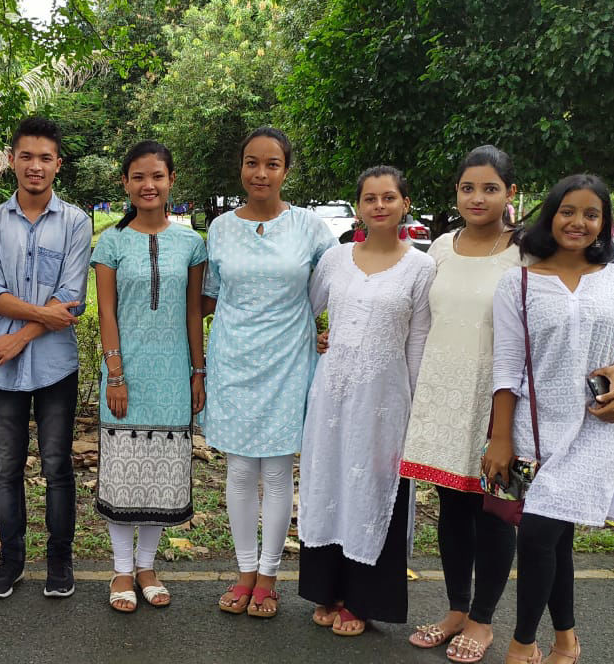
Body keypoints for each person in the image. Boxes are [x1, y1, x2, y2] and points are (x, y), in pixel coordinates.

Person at [485, 174, 614, 664]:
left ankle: (522, 644)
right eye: (568, 211)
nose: (578, 222)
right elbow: (508, 366)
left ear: (604, 224)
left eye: (591, 214)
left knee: (538, 534)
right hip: (533, 430)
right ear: (551, 215)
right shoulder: (517, 283)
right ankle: (566, 641)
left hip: (600, 428)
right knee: (554, 541)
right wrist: (499, 438)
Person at [202, 127, 336, 618]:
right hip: (234, 356)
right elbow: (212, 294)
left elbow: (334, 287)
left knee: (279, 472)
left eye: (272, 164)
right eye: (252, 162)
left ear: (286, 170)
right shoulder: (219, 228)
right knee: (239, 470)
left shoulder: (310, 228)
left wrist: (332, 331)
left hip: (288, 358)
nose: (261, 173)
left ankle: (268, 577)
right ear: (241, 167)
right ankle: (243, 573)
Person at [297, 165, 435, 637]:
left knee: (372, 488)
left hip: (385, 399)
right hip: (332, 395)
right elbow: (307, 310)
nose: (379, 205)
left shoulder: (421, 266)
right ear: (358, 206)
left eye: (389, 197)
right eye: (370, 198)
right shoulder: (336, 259)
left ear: (404, 204)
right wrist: (319, 339)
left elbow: (417, 343)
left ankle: (363, 599)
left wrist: (414, 410)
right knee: (329, 482)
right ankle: (328, 590)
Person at [399, 146, 522, 661]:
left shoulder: (527, 250)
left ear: (510, 193)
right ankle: (456, 608)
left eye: (490, 188)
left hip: (499, 400)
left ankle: (483, 620)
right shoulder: (441, 248)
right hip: (444, 396)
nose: (478, 197)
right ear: (456, 192)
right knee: (453, 505)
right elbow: (418, 318)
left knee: (494, 509)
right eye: (468, 187)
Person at [0, 117, 92, 599]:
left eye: (45, 158)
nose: (35, 166)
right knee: (6, 468)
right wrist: (36, 319)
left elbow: (70, 301)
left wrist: (20, 336)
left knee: (56, 465)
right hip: (2, 371)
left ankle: (59, 563)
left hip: (52, 366)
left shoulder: (76, 222)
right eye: (26, 156)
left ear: (57, 165)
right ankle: (11, 561)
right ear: (11, 160)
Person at [92, 141, 207, 613]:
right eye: (138, 177)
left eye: (157, 176)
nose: (148, 185)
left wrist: (198, 372)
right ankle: (121, 568)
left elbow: (194, 312)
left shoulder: (192, 244)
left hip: (174, 376)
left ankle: (147, 566)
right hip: (126, 374)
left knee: (161, 474)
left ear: (171, 180)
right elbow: (105, 311)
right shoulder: (112, 242)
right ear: (125, 183)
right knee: (122, 473)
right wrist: (115, 373)